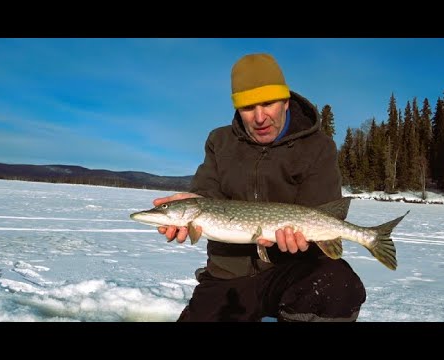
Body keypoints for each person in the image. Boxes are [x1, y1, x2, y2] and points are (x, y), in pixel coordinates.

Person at [153, 53, 366, 322]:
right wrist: (193, 203)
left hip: (291, 272)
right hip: (226, 276)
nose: (259, 117)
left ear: (286, 102)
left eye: (268, 103)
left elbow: (321, 213)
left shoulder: (318, 147)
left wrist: (304, 242)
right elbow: (207, 195)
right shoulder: (219, 141)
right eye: (248, 108)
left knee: (336, 282)